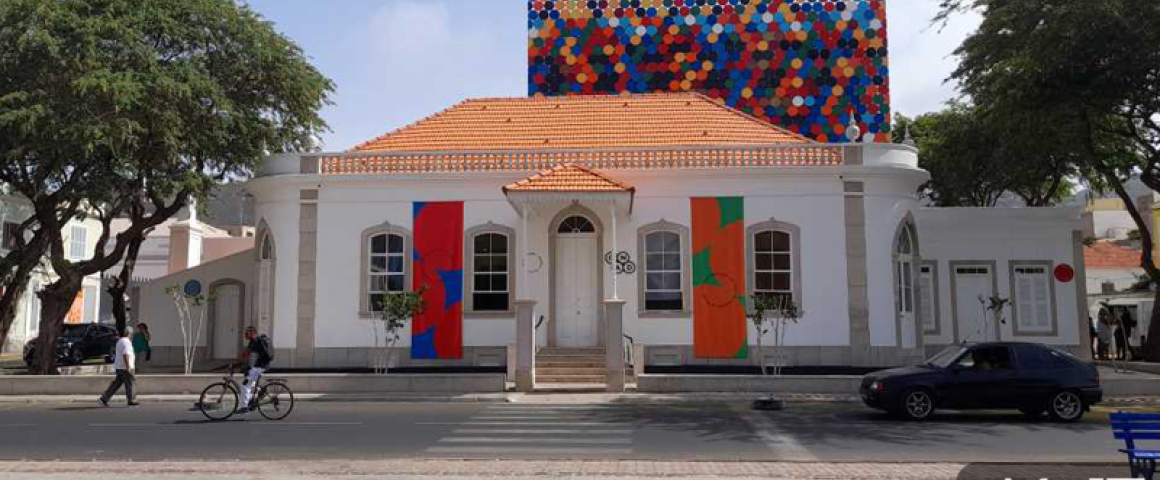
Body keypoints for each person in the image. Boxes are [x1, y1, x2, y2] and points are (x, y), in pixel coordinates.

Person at [236, 326, 273, 414]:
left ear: (252, 332)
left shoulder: (256, 342)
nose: (245, 334)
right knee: (250, 380)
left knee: (245, 384)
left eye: (247, 332)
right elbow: (246, 354)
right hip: (261, 365)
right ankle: (261, 390)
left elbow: (249, 356)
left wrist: (242, 365)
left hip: (260, 366)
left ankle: (244, 407)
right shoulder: (253, 341)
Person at [99, 327, 138, 407]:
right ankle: (131, 400)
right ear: (129, 334)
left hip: (120, 367)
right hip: (125, 367)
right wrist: (128, 367)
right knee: (130, 383)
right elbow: (126, 354)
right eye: (132, 334)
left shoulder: (120, 341)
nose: (132, 336)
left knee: (116, 383)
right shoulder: (126, 342)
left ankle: (105, 398)